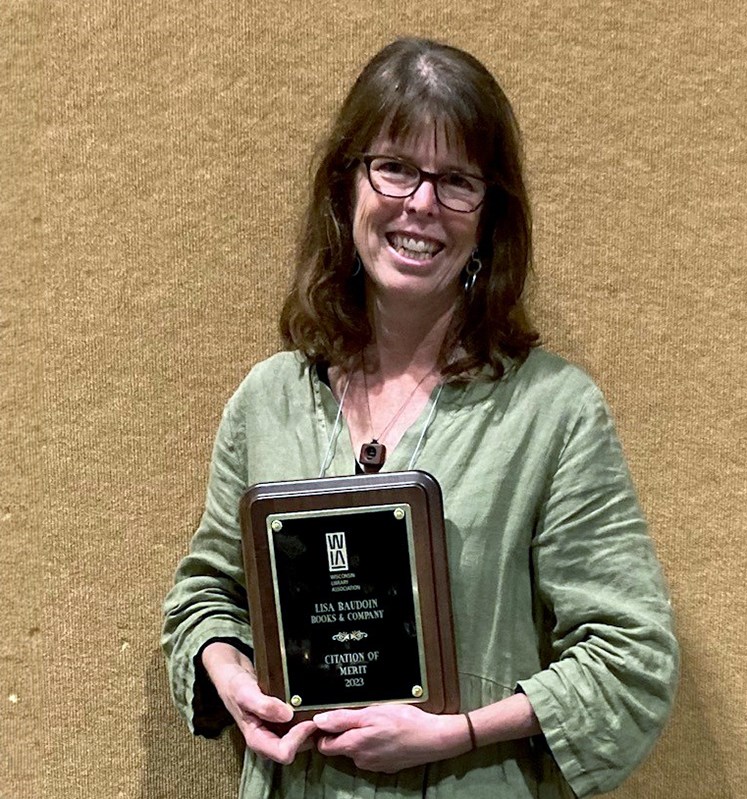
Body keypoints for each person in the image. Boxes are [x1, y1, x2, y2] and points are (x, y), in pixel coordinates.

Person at [162, 37, 678, 798]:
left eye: (457, 181)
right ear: (347, 187)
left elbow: (632, 657)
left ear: (489, 217)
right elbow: (203, 597)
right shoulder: (266, 401)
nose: (422, 205)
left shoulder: (554, 413)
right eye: (396, 167)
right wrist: (228, 671)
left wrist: (458, 729)